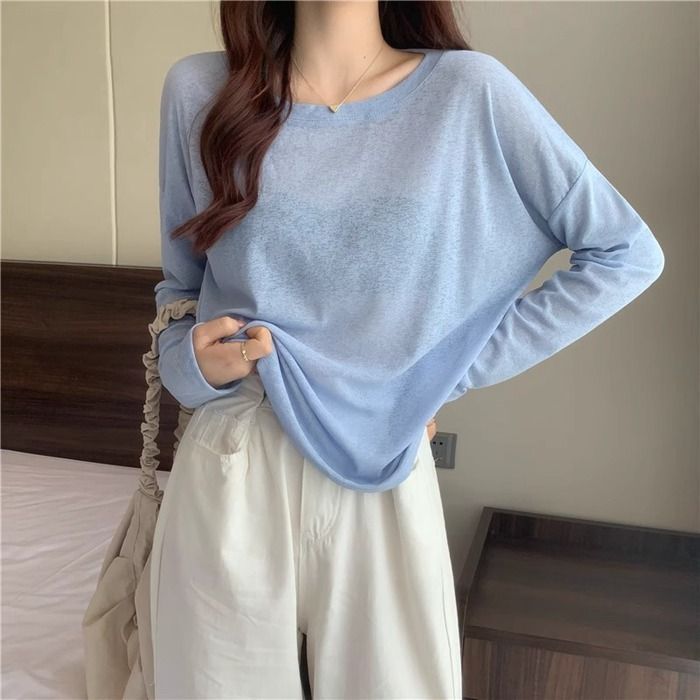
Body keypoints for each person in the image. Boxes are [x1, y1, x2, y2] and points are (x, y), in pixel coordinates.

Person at [149, 1, 665, 698]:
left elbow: (625, 254)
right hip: (233, 457)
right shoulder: (201, 91)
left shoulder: (469, 92)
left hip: (383, 465)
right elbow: (180, 293)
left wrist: (436, 376)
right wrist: (193, 368)